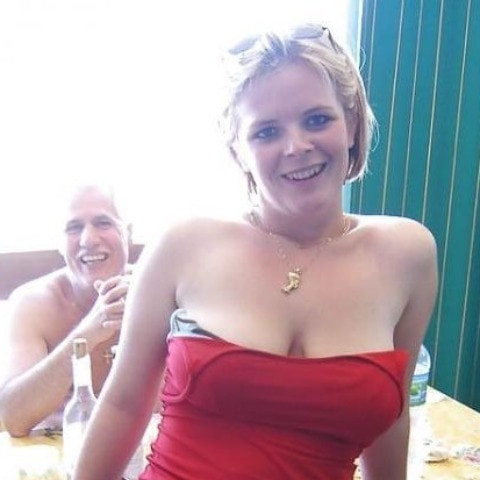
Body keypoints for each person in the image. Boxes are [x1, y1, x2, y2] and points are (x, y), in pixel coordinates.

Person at [72, 23, 438, 480]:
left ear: (351, 125)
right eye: (266, 132)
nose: (297, 146)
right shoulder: (183, 246)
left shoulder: (408, 255)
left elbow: (392, 420)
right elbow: (124, 406)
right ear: (238, 151)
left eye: (317, 119)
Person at [0, 183, 133, 437]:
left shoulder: (159, 295)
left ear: (127, 233)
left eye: (103, 223)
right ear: (59, 243)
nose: (88, 240)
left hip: (144, 448)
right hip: (57, 449)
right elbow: (13, 418)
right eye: (74, 228)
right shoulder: (32, 304)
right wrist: (88, 332)